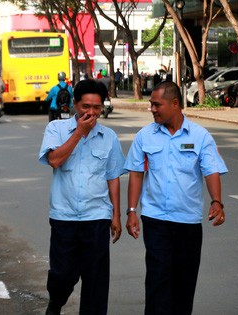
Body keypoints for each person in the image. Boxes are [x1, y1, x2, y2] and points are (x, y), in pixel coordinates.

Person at [124, 81, 227, 315]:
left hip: (188, 221)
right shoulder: (145, 136)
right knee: (158, 279)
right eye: (151, 104)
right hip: (155, 219)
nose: (152, 109)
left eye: (156, 105)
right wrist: (131, 211)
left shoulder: (200, 136)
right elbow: (137, 174)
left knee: (184, 282)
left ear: (175, 104)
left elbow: (210, 170)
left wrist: (216, 201)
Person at [38, 79, 124, 315]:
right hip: (64, 216)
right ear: (75, 104)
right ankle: (55, 304)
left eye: (97, 107)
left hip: (97, 217)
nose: (92, 112)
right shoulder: (56, 129)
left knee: (96, 281)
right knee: (62, 275)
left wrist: (116, 215)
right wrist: (79, 132)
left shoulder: (109, 137)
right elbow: (54, 160)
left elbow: (113, 176)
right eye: (86, 106)